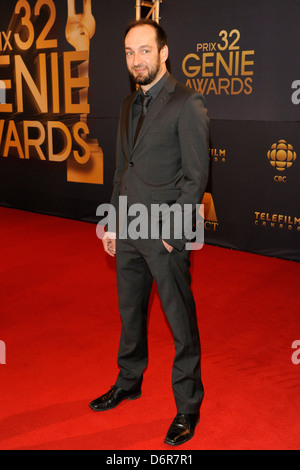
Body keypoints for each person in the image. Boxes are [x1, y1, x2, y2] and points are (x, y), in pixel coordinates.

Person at [89, 18, 209, 446]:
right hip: (128, 232)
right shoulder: (126, 104)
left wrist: (172, 236)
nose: (136, 59)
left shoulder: (186, 102)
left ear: (163, 53)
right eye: (128, 52)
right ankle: (129, 381)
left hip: (164, 236)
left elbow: (196, 180)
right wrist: (112, 221)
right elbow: (123, 169)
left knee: (180, 322)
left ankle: (187, 407)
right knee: (130, 314)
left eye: (144, 50)